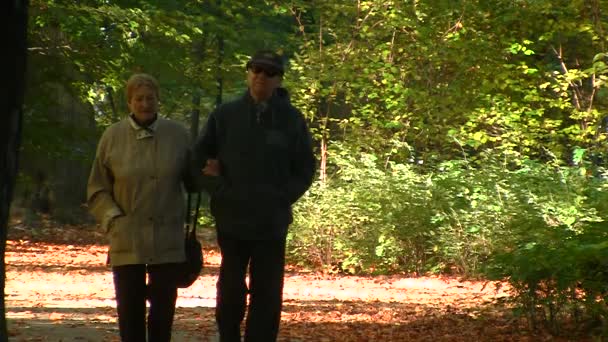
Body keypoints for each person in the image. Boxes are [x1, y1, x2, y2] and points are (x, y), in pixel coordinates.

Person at [193, 50, 316, 341]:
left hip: (271, 222)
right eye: (256, 70)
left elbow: (305, 167)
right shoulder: (225, 115)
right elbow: (198, 157)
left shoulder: (291, 120)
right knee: (231, 289)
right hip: (232, 218)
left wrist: (281, 197)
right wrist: (219, 190)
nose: (261, 76)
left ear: (279, 80)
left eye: (269, 72)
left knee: (268, 292)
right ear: (248, 73)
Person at [87, 73, 196, 342]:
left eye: (150, 98)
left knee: (162, 318)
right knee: (130, 316)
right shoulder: (112, 137)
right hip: (127, 239)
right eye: (139, 99)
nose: (145, 104)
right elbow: (97, 189)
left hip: (167, 239)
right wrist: (113, 219)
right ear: (129, 103)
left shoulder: (178, 135)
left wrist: (209, 171)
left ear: (158, 100)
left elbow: (194, 182)